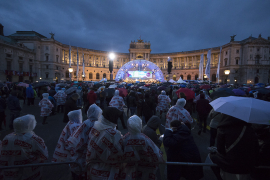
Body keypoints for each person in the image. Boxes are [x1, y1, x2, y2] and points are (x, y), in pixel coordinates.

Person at [210, 114, 259, 179]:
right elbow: (256, 150)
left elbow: (220, 150)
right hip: (247, 166)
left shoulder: (223, 127)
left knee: (211, 157)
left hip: (230, 165)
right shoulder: (250, 129)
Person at [0, 115, 48, 180]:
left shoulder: (7, 137)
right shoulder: (34, 139)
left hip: (9, 172)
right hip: (30, 172)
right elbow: (44, 155)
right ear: (29, 126)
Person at [118, 115, 164, 180]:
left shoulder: (125, 138)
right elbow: (157, 155)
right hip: (145, 171)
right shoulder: (144, 138)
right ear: (140, 124)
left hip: (129, 172)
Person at [86, 107, 124, 180]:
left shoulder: (96, 127)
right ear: (113, 118)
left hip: (93, 169)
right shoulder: (113, 134)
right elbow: (119, 153)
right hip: (108, 172)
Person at [66, 104, 103, 178]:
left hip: (83, 153)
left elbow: (75, 139)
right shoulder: (99, 124)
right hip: (93, 153)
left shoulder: (86, 123)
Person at [52, 109, 82, 179]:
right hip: (74, 147)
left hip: (69, 146)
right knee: (76, 162)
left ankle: (73, 173)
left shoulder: (70, 123)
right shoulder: (76, 125)